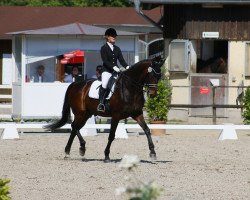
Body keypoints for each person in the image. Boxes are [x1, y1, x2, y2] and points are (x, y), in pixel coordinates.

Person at [97, 28, 130, 112]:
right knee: (104, 84)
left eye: (115, 36)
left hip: (116, 71)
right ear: (107, 37)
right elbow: (105, 60)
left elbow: (121, 60)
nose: (114, 37)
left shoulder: (117, 49)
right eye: (112, 36)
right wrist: (113, 67)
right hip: (106, 71)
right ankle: (101, 103)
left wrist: (127, 67)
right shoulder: (103, 48)